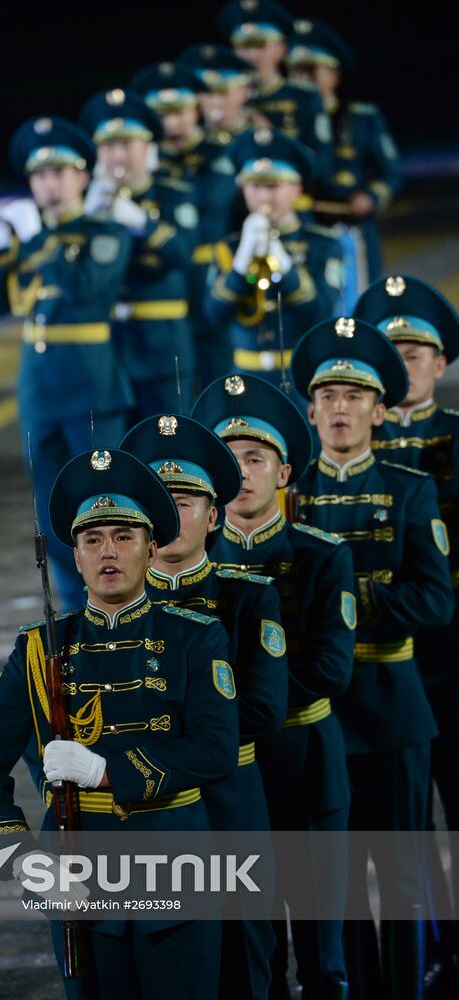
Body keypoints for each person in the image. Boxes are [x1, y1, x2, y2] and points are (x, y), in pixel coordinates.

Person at [0, 448, 240, 999]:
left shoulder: (196, 636)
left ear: (151, 548)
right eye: (92, 540)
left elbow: (215, 748)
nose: (107, 551)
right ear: (75, 557)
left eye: (123, 536)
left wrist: (106, 771)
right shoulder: (40, 647)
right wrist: (24, 860)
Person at [290, 317, 454, 999]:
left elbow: (435, 601)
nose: (339, 408)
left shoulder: (409, 487)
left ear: (380, 410)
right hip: (317, 710)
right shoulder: (286, 491)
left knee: (402, 873)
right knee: (336, 879)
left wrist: (344, 600)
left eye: (355, 397)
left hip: (390, 702)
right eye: (327, 396)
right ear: (309, 410)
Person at [192, 373, 354, 999]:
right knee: (251, 959)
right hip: (234, 778)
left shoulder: (320, 556)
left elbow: (329, 671)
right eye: (228, 462)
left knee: (322, 961)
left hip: (305, 764)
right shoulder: (186, 569)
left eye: (256, 459)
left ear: (284, 473)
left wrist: (234, 705)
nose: (242, 473)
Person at [120, 411, 287, 999]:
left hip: (226, 803)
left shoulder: (247, 598)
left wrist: (160, 748)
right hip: (145, 816)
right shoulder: (107, 612)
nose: (172, 515)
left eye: (186, 501)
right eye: (160, 501)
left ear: (213, 514)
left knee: (243, 961)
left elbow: (264, 710)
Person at [0, 115, 133, 610]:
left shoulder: (104, 231)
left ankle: (124, 605)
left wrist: (41, 241)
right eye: (40, 175)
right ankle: (75, 611)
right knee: (52, 515)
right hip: (39, 390)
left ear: (83, 176)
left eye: (60, 172)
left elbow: (87, 289)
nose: (49, 184)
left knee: (104, 504)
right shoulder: (29, 237)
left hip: (91, 387)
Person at [354, 275, 459, 994]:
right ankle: (422, 949)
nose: (405, 362)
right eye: (391, 351)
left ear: (442, 362)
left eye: (417, 350)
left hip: (453, 652)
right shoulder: (345, 446)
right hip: (380, 662)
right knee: (398, 824)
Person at [79, 90, 197, 417]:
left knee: (171, 451)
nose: (117, 156)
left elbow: (182, 254)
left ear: (148, 147)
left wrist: (140, 221)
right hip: (109, 350)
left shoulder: (174, 193)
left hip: (162, 349)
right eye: (107, 147)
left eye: (126, 145)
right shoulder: (88, 206)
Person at [131, 59, 244, 387]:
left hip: (212, 278)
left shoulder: (222, 154)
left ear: (197, 109)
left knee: (220, 380)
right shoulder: (145, 167)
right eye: (162, 115)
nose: (172, 123)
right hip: (163, 282)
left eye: (180, 111)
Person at [204, 127, 343, 392]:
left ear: (297, 189)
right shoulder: (230, 248)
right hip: (245, 380)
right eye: (255, 186)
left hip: (302, 377)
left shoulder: (322, 245)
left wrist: (284, 265)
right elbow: (213, 314)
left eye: (274, 186)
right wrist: (241, 265)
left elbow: (321, 314)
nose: (264, 197)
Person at [286, 18, 402, 283]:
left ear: (334, 75)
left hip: (353, 229)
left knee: (357, 305)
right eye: (296, 72)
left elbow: (391, 171)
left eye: (312, 71)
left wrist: (371, 197)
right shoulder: (286, 124)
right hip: (304, 227)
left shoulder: (362, 118)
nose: (303, 80)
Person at [216, 0, 333, 191]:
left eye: (261, 46)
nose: (251, 55)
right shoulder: (218, 98)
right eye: (244, 46)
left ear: (282, 50)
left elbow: (323, 166)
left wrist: (274, 139)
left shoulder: (305, 98)